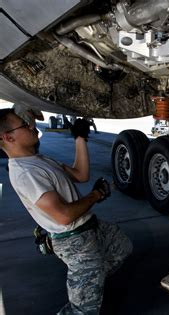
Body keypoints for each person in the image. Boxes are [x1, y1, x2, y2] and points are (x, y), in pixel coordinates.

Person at [0, 110, 133, 315]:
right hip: (74, 241)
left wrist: (80, 138)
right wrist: (95, 195)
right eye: (24, 125)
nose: (32, 126)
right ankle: (87, 289)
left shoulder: (38, 159)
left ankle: (91, 283)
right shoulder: (26, 173)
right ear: (7, 137)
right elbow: (64, 216)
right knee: (82, 311)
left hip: (89, 227)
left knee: (122, 246)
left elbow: (81, 175)